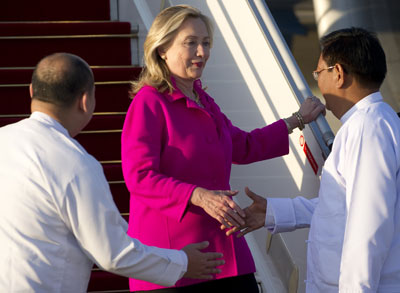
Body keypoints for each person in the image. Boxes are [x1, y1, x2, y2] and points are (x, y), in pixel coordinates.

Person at [121, 5, 325, 292]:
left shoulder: (202, 98)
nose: (202, 52)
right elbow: (139, 176)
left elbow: (242, 146)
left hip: (224, 250)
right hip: (175, 259)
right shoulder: (149, 102)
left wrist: (297, 120)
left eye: (206, 43)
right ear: (162, 48)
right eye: (191, 43)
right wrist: (198, 195)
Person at [0, 52, 226, 293]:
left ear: (31, 91)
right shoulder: (75, 163)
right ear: (85, 101)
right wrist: (182, 262)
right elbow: (112, 252)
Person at [225, 27, 400, 292]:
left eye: (319, 73)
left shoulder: (367, 128)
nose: (317, 81)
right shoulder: (373, 122)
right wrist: (274, 211)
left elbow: (367, 226)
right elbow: (340, 205)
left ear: (338, 74)